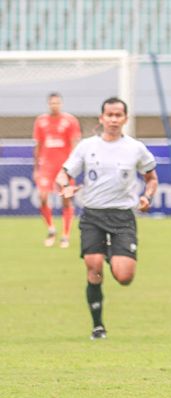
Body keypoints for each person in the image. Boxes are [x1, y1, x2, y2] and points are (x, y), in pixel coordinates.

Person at [55, 97, 158, 340]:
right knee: (94, 268)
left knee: (124, 277)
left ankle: (112, 253)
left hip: (122, 217)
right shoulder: (86, 146)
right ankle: (98, 326)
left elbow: (151, 178)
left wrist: (147, 197)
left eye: (118, 115)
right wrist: (65, 186)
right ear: (101, 118)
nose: (113, 119)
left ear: (125, 119)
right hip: (93, 215)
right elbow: (63, 173)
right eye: (109, 115)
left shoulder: (135, 148)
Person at [33, 92, 82, 248]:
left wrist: (72, 167)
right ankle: (51, 229)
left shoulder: (70, 121)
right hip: (46, 167)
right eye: (52, 103)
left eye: (57, 103)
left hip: (64, 168)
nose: (55, 105)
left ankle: (65, 235)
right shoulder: (41, 121)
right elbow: (38, 145)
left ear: (61, 104)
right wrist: (36, 168)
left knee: (65, 199)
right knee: (42, 197)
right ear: (49, 104)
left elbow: (74, 144)